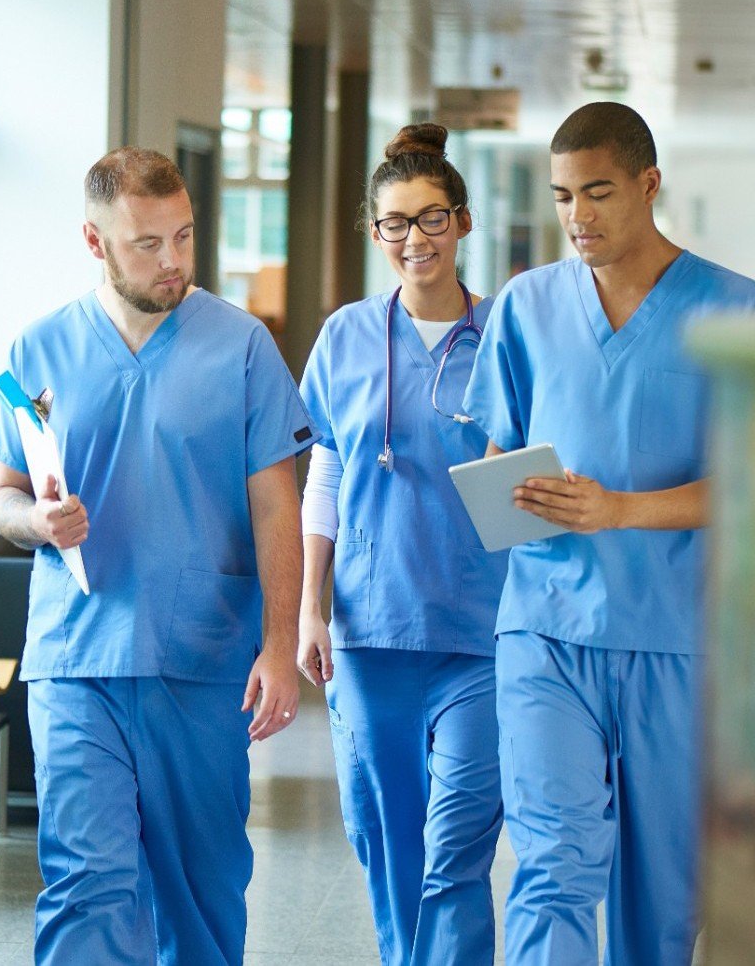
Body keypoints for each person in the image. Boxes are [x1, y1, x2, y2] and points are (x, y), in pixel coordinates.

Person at [463, 102, 755, 965]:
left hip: (677, 638)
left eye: (597, 193)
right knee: (553, 864)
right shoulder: (527, 305)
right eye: (563, 196)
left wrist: (619, 510)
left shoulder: (737, 309)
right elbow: (501, 452)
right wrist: (502, 498)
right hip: (545, 628)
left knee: (661, 899)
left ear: (648, 185)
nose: (578, 217)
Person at [0, 146, 313, 965]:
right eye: (148, 243)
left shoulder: (241, 346)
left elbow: (278, 505)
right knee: (86, 878)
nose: (173, 261)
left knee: (199, 891)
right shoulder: (39, 349)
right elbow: (2, 496)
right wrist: (38, 523)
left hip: (201, 655)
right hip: (76, 653)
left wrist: (279, 646)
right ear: (95, 243)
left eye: (185, 237)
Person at [296, 123, 506, 966]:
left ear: (461, 222)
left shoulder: (505, 335)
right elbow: (327, 473)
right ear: (374, 231)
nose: (413, 239)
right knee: (385, 840)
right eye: (394, 223)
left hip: (482, 632)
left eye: (430, 219)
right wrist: (311, 608)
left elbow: (528, 472)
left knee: (458, 844)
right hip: (371, 630)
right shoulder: (345, 336)